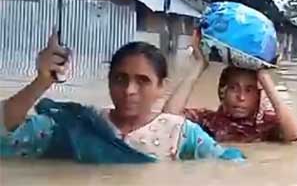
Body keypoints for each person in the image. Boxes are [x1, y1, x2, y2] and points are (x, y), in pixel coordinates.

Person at [1, 33, 243, 162]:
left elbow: (229, 165)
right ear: (108, 81)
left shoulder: (180, 135)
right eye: (120, 79)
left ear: (162, 87)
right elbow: (6, 133)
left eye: (143, 81)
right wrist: (41, 81)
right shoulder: (81, 125)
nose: (129, 90)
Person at [162, 31, 297, 143]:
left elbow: (293, 136)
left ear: (259, 95)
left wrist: (263, 75)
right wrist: (199, 65)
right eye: (234, 88)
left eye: (249, 90)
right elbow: (167, 119)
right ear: (222, 92)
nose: (241, 97)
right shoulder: (209, 122)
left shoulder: (264, 126)